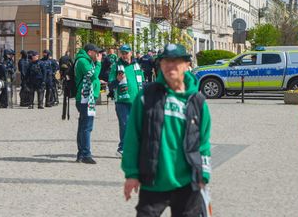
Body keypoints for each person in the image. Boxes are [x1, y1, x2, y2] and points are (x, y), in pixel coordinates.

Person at [122, 43, 212, 216]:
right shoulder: (146, 96)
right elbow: (133, 136)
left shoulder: (197, 101)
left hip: (187, 183)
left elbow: (203, 142)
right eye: (165, 61)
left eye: (176, 61)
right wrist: (131, 174)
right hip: (153, 181)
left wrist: (204, 175)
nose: (170, 66)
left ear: (186, 65)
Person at [108, 44, 144, 157]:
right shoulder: (116, 66)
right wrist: (117, 80)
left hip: (136, 101)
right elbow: (110, 85)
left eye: (126, 53)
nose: (124, 55)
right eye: (122, 53)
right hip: (122, 101)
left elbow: (142, 82)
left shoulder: (136, 65)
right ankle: (122, 148)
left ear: (131, 53)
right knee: (125, 125)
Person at [74, 43, 102, 164]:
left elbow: (92, 77)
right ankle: (85, 154)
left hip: (86, 97)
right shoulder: (83, 61)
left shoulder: (87, 61)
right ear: (90, 52)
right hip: (85, 98)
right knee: (86, 127)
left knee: (83, 126)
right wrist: (99, 63)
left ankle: (81, 154)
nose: (98, 55)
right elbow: (93, 75)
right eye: (97, 52)